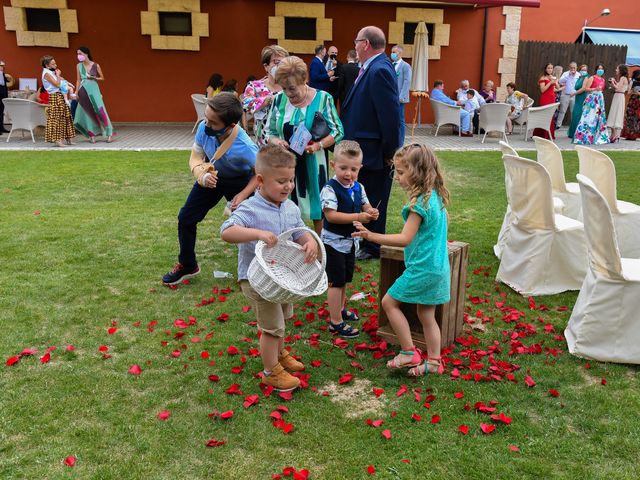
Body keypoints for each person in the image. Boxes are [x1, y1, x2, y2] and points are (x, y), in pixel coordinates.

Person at [220, 144, 318, 392]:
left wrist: (309, 242)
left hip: (281, 278)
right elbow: (227, 232)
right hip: (257, 280)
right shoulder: (250, 209)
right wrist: (258, 233)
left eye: (291, 180)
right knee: (272, 327)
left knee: (283, 318)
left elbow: (299, 231)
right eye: (281, 181)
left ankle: (279, 354)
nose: (288, 186)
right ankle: (270, 372)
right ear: (261, 181)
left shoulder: (290, 206)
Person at [353, 143, 450, 377]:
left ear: (417, 172)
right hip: (438, 268)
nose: (397, 177)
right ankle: (435, 362)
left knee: (389, 303)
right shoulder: (435, 198)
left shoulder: (418, 204)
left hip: (422, 269)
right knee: (426, 315)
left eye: (401, 172)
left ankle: (408, 352)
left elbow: (405, 239)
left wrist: (370, 235)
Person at [162, 92, 259, 285]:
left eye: (213, 123)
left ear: (231, 125)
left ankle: (257, 269)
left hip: (241, 182)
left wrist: (242, 195)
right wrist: (202, 175)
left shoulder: (247, 147)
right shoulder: (203, 128)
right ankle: (188, 265)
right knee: (186, 218)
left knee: (251, 226)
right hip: (212, 176)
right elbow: (196, 157)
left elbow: (260, 175)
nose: (207, 125)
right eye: (206, 118)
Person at [341, 26, 402, 260]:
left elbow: (389, 116)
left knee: (374, 198)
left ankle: (372, 246)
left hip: (374, 151)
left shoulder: (379, 70)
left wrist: (390, 153)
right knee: (363, 196)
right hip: (364, 148)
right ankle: (364, 242)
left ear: (365, 44)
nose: (355, 46)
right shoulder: (372, 67)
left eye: (356, 42)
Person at [267, 56, 343, 235]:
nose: (288, 93)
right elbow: (269, 133)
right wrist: (277, 141)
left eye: (292, 88)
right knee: (287, 207)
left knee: (318, 207)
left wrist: (318, 145)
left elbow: (338, 131)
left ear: (304, 80)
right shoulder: (278, 100)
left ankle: (322, 249)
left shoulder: (323, 98)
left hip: (315, 164)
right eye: (284, 88)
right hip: (286, 166)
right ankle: (291, 247)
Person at [321, 141, 379, 338]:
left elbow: (365, 204)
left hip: (350, 242)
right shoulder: (330, 189)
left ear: (360, 168)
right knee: (335, 282)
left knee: (344, 279)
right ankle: (335, 322)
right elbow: (331, 216)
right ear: (333, 165)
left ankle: (340, 309)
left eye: (354, 169)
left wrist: (370, 211)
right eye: (343, 168)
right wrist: (358, 218)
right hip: (333, 243)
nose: (348, 173)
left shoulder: (358, 187)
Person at [242, 45, 288, 146]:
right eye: (276, 62)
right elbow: (246, 105)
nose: (280, 66)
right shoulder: (255, 86)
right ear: (266, 66)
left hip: (286, 142)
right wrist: (266, 100)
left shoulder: (290, 87)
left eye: (283, 63)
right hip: (263, 143)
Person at [73, 46, 114, 143]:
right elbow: (78, 79)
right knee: (87, 111)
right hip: (83, 90)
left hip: (94, 89)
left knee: (100, 110)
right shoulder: (78, 66)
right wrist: (76, 91)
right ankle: (92, 135)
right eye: (77, 54)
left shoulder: (96, 65)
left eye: (80, 53)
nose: (78, 56)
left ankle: (109, 133)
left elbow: (102, 78)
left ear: (86, 54)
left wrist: (94, 78)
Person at [40, 55, 75, 147]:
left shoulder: (51, 72)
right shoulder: (46, 73)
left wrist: (59, 77)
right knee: (57, 118)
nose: (55, 65)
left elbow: (60, 82)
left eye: (55, 63)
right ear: (47, 65)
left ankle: (68, 138)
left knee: (66, 116)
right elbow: (57, 84)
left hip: (60, 95)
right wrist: (58, 75)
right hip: (55, 96)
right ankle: (58, 140)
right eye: (53, 64)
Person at [573, 63, 610, 145]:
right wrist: (595, 89)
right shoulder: (592, 78)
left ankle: (597, 136)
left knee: (599, 117)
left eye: (602, 69)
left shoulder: (603, 80)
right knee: (589, 116)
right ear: (596, 70)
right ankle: (585, 136)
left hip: (600, 99)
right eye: (599, 68)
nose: (600, 70)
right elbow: (586, 89)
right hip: (592, 99)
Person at [532, 63, 560, 139]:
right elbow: (542, 90)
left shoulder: (552, 77)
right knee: (544, 116)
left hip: (552, 98)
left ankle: (549, 135)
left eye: (551, 68)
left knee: (551, 116)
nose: (550, 70)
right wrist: (550, 82)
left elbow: (557, 88)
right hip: (545, 98)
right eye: (548, 68)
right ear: (545, 69)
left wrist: (555, 81)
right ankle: (540, 134)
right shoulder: (543, 78)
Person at [391, 44, 412, 141]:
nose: (392, 54)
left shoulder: (405, 66)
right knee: (392, 119)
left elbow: (407, 82)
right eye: (391, 52)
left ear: (399, 53)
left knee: (400, 120)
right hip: (390, 96)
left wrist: (401, 96)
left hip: (399, 98)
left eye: (394, 52)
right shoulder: (391, 65)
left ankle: (401, 141)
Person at [607, 64, 629, 143]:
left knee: (616, 113)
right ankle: (613, 134)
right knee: (615, 113)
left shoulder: (623, 78)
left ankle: (615, 135)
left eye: (617, 69)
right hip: (618, 96)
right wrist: (615, 82)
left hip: (619, 96)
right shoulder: (623, 78)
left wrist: (613, 83)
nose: (616, 70)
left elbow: (619, 88)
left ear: (621, 70)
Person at [556, 62, 580, 129]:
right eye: (571, 67)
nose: (573, 69)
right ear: (569, 68)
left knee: (573, 111)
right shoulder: (565, 74)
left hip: (574, 95)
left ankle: (573, 126)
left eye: (574, 67)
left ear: (576, 68)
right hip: (565, 95)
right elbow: (560, 81)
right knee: (562, 110)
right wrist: (568, 76)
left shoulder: (579, 75)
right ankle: (558, 125)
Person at [568, 64, 589, 139]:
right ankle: (573, 132)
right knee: (575, 114)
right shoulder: (580, 77)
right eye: (582, 70)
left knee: (579, 114)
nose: (584, 71)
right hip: (578, 98)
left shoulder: (586, 77)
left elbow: (583, 88)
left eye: (585, 70)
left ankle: (578, 132)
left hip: (583, 97)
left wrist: (574, 93)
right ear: (580, 70)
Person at [621, 69, 640, 141]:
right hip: (633, 102)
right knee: (630, 118)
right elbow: (628, 92)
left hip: (638, 102)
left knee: (638, 118)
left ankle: (636, 134)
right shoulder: (632, 81)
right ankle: (630, 134)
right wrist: (634, 92)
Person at [0, 59, 15, 134]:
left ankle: (1, 127)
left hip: (3, 95)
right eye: (1, 66)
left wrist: (7, 80)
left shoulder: (2, 74)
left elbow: (3, 82)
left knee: (1, 111)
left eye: (2, 66)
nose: (2, 67)